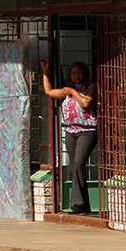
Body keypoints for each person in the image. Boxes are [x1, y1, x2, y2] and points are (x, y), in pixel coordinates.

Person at [41, 59, 97, 214]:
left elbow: (85, 103)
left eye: (79, 73)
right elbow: (49, 91)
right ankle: (83, 206)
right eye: (73, 73)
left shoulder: (91, 88)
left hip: (87, 131)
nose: (77, 76)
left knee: (79, 164)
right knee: (76, 167)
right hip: (71, 132)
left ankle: (77, 204)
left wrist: (73, 92)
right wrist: (45, 72)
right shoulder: (66, 91)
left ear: (84, 74)